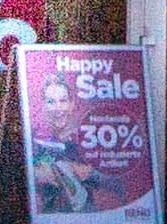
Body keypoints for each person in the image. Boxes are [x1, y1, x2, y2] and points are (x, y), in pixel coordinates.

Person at [30, 74, 109, 212]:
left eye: (63, 101)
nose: (58, 108)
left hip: (88, 216)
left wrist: (89, 172)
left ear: (71, 104)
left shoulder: (88, 137)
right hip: (49, 218)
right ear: (43, 105)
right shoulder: (33, 140)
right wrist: (35, 173)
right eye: (51, 102)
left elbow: (115, 180)